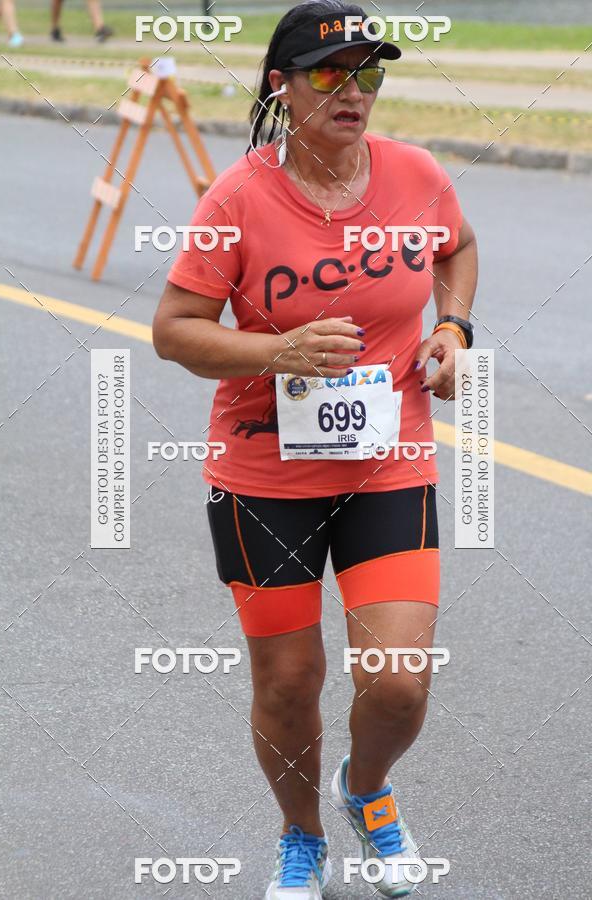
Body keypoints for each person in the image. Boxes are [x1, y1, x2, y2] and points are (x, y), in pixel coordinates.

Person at [153, 2, 478, 897]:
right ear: (281, 85)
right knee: (291, 682)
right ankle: (300, 836)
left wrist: (452, 328)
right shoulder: (238, 198)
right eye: (332, 73)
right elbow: (174, 331)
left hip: (388, 460)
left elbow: (457, 248)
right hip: (264, 475)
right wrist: (274, 352)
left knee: (400, 682)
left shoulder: (415, 177)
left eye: (368, 74)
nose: (355, 92)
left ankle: (366, 792)